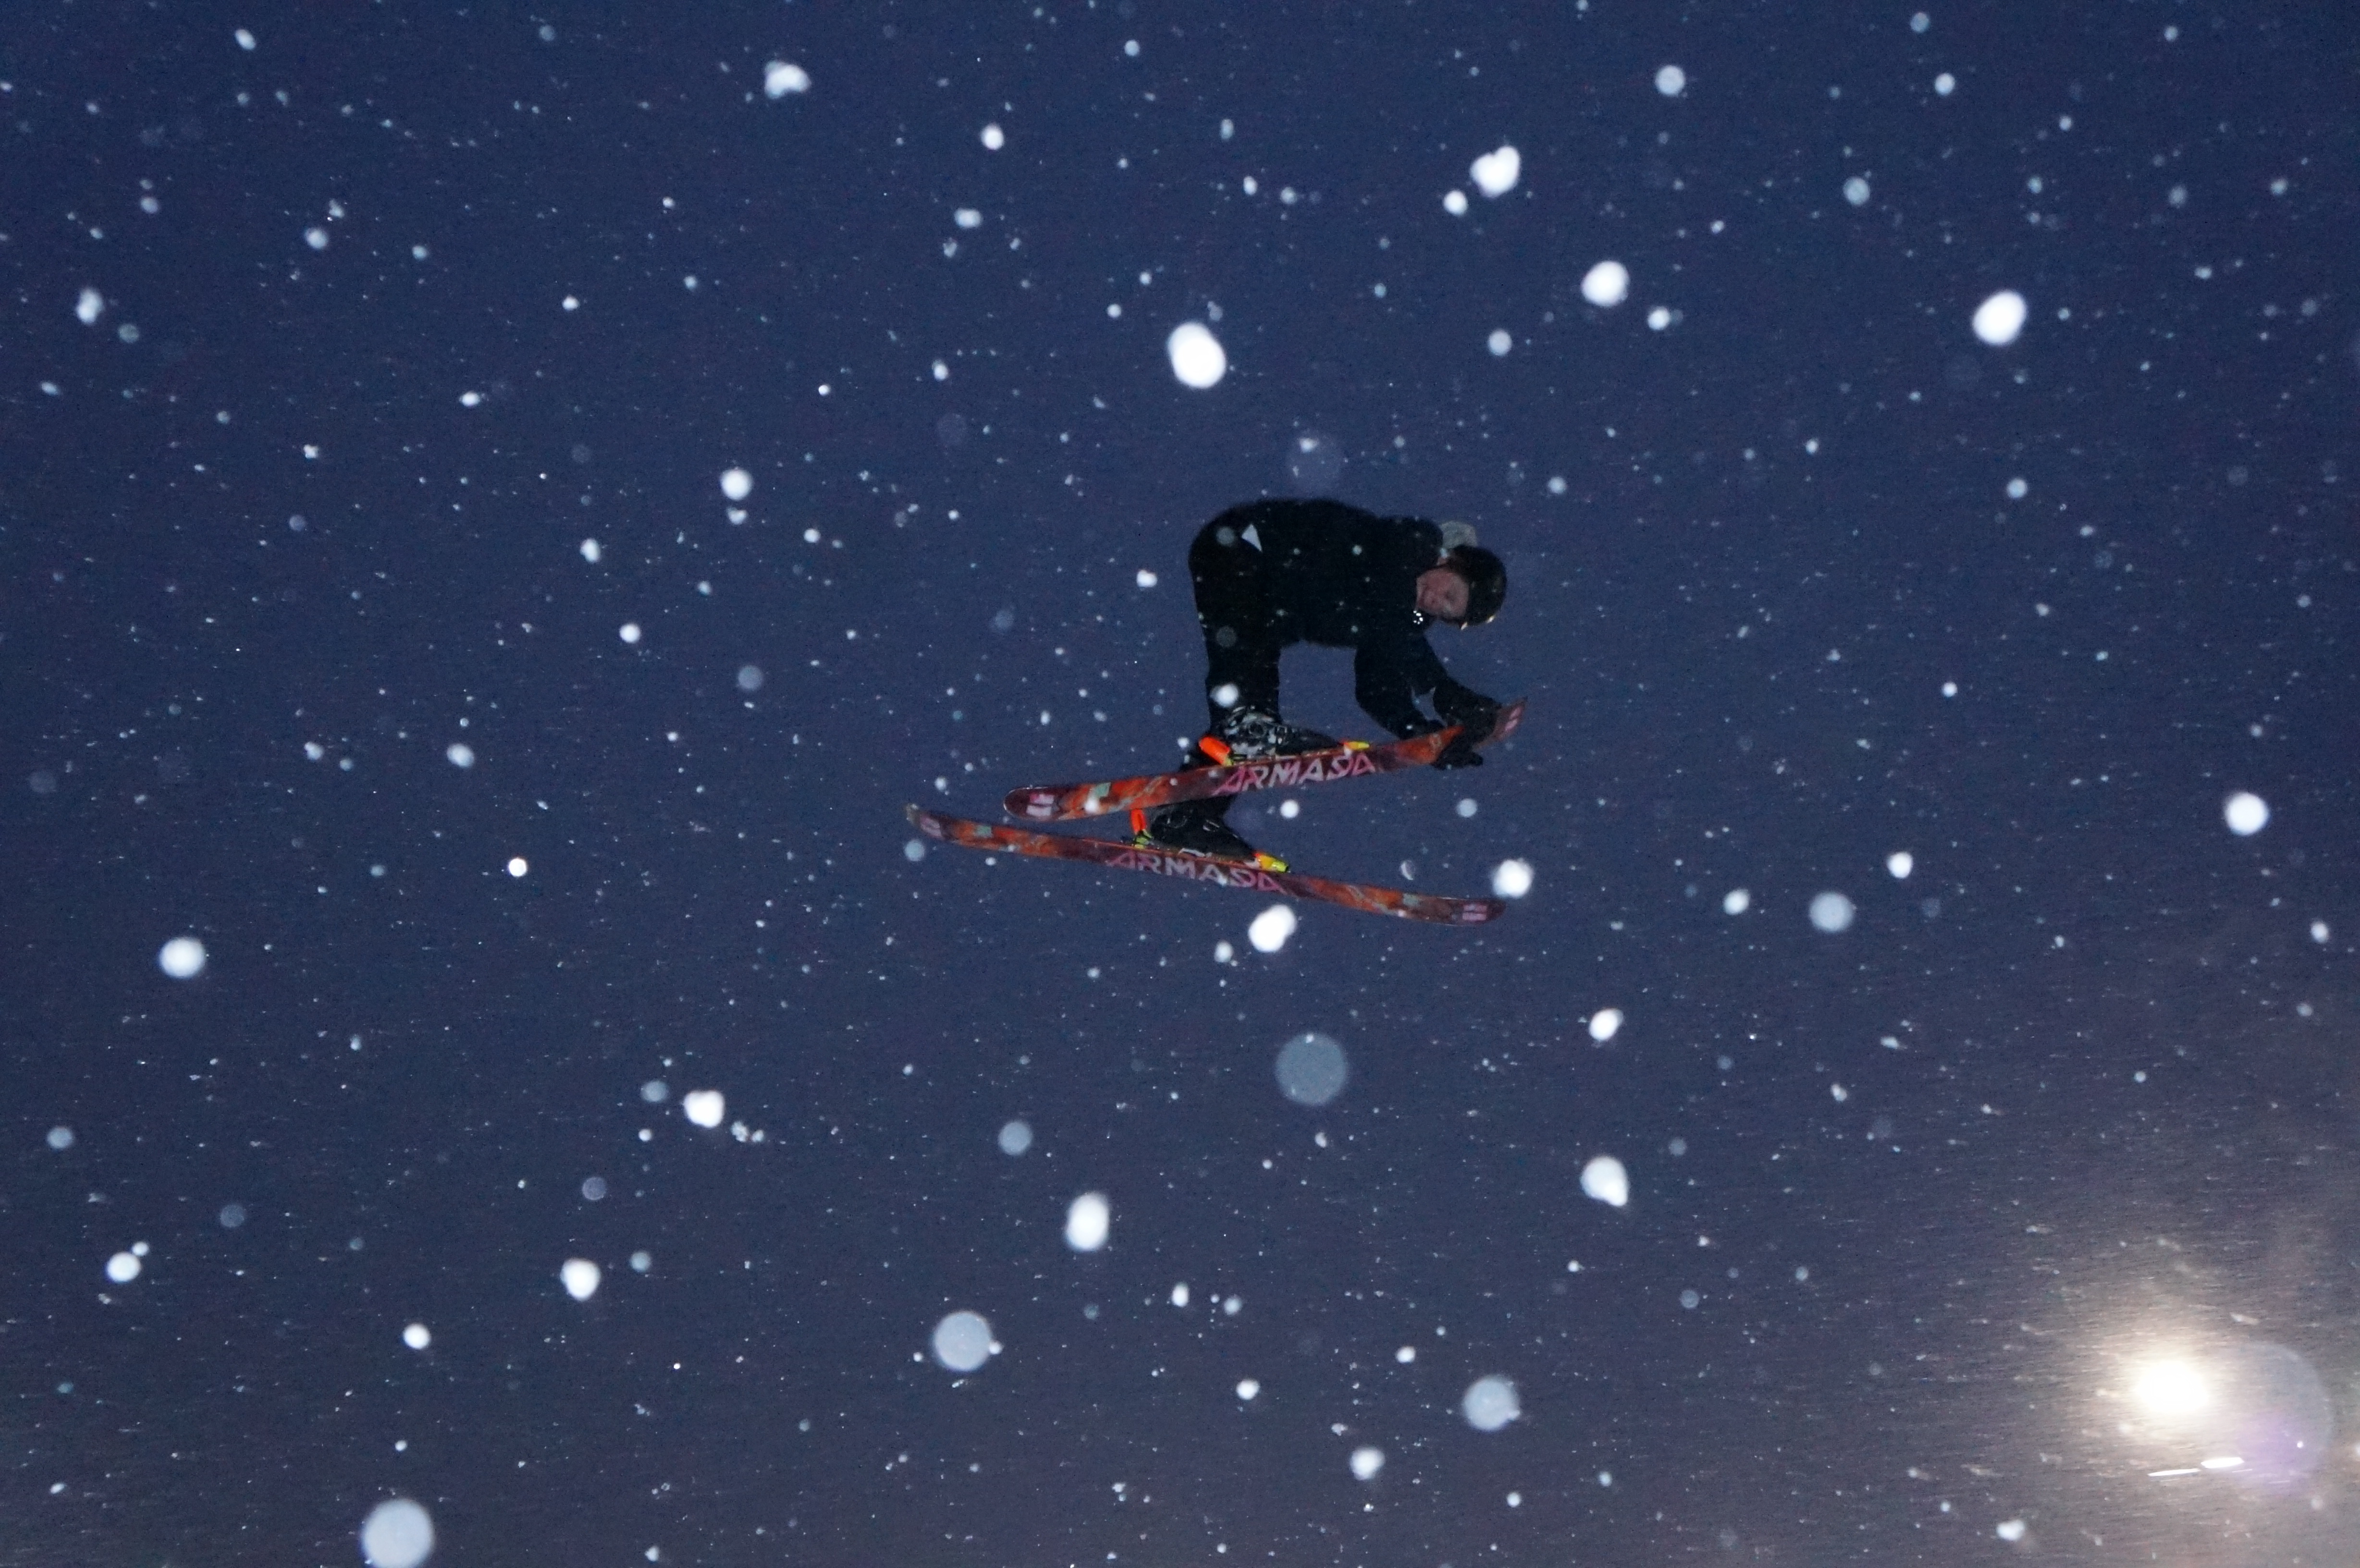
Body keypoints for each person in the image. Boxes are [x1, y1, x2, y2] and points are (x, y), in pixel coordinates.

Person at [1139, 497, 1508, 864]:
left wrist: (1425, 736)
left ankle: (1183, 816)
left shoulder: (1402, 621)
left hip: (1267, 600)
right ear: (1450, 561)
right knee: (1247, 693)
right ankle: (1242, 733)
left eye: (1447, 610)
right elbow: (1391, 610)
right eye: (1449, 592)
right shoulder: (1415, 544)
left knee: (1252, 707)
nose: (1436, 602)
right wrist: (1443, 690)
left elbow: (1377, 686)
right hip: (1244, 546)